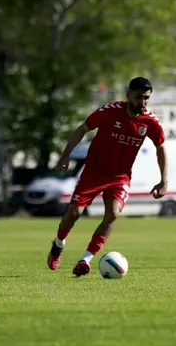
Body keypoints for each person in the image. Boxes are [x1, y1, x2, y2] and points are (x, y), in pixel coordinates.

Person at [46, 77, 167, 277]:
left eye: (146, 98)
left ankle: (85, 260)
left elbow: (161, 147)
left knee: (113, 214)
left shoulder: (150, 122)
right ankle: (58, 244)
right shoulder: (110, 111)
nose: (143, 102)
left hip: (120, 177)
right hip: (94, 172)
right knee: (74, 212)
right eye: (138, 97)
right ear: (128, 95)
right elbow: (83, 128)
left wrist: (164, 180)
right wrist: (66, 154)